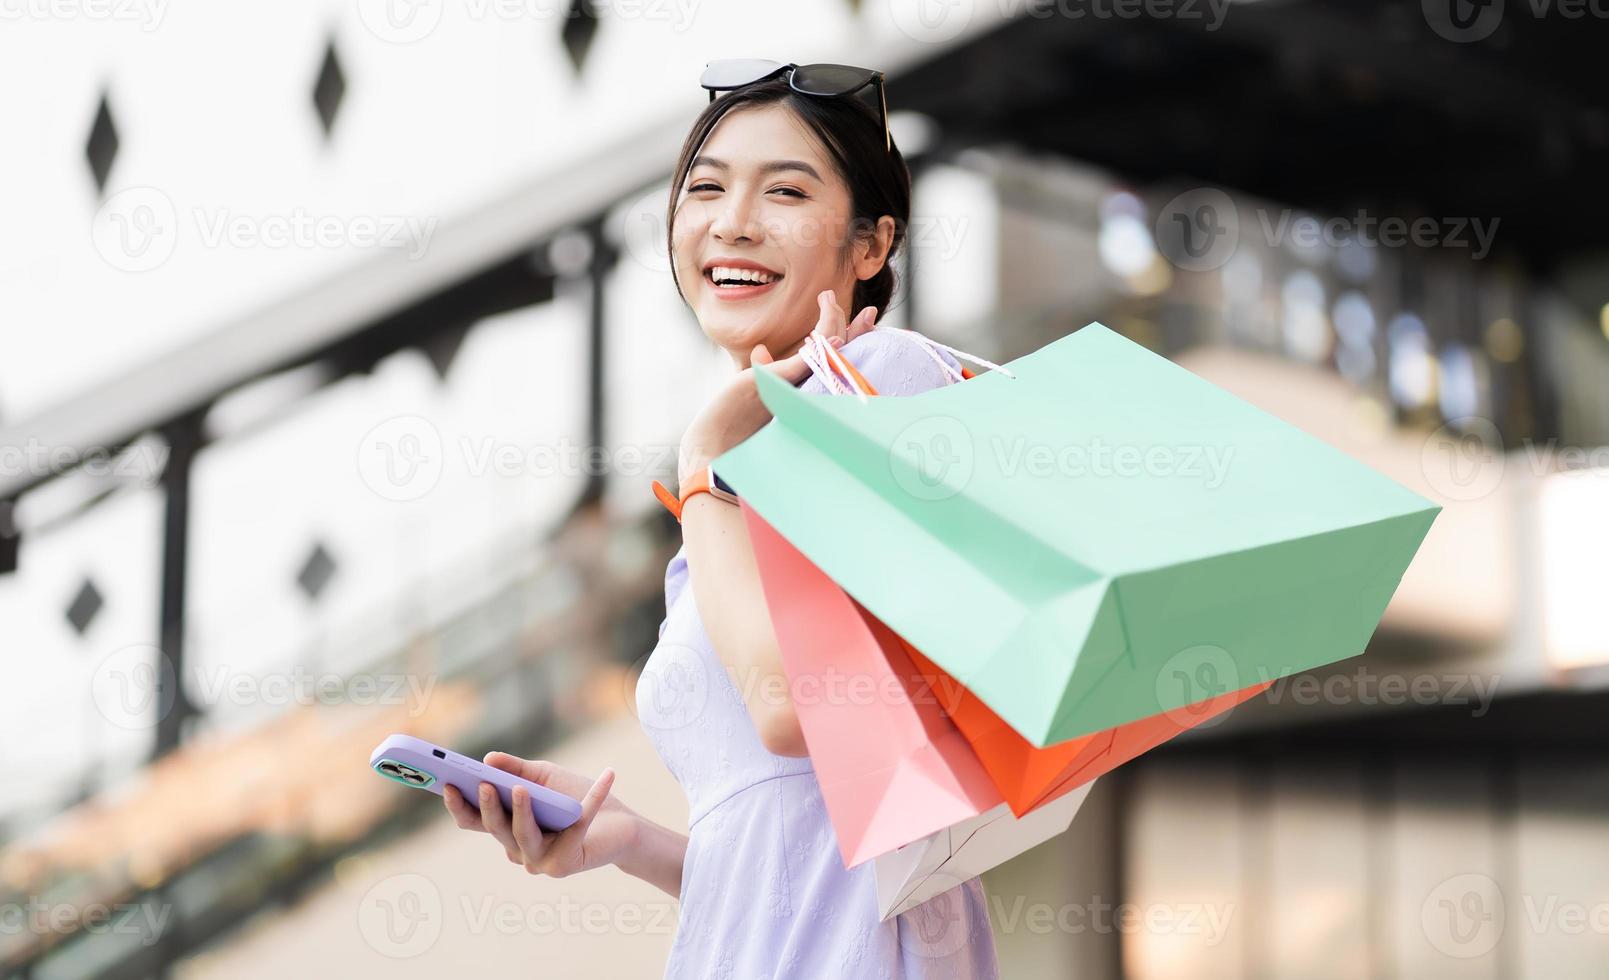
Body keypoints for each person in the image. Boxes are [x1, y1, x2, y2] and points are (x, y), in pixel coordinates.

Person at [443, 64, 1000, 978]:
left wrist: (702, 463)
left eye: (784, 191)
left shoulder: (882, 388)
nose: (732, 220)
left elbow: (794, 708)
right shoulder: (730, 492)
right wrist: (626, 840)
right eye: (705, 188)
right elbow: (784, 830)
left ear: (871, 246)